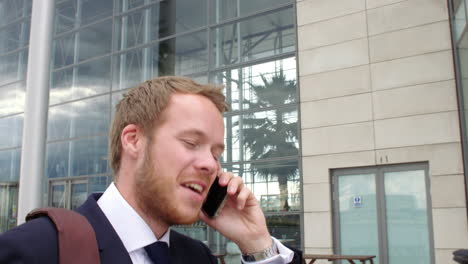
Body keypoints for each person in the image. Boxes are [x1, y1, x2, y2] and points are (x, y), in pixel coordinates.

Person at [0, 76, 302, 263]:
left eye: (216, 152)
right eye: (191, 142)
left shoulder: (198, 258)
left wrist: (257, 243)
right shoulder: (34, 250)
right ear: (133, 140)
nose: (210, 164)